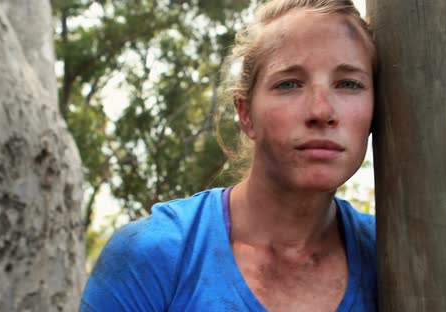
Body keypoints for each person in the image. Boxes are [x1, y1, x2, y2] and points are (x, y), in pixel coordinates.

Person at [80, 0, 377, 311]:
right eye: (289, 84)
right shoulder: (153, 256)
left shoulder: (398, 257)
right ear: (246, 114)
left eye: (348, 84)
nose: (321, 111)